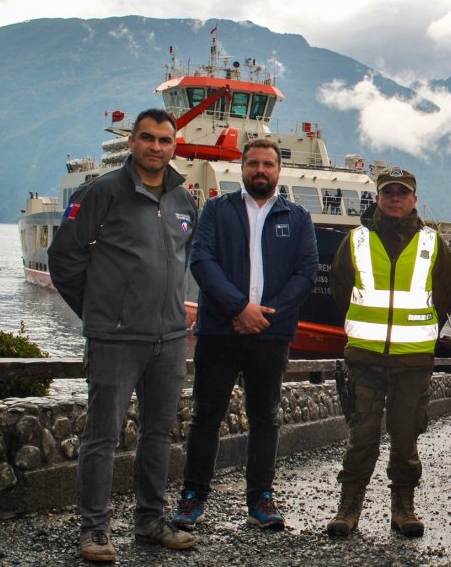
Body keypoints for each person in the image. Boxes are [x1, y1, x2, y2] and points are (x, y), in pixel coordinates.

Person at [48, 108, 198, 562]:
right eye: (148, 138)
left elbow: (180, 261)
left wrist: (174, 314)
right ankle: (94, 530)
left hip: (169, 338)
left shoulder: (183, 200)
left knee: (158, 433)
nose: (156, 147)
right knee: (102, 435)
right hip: (116, 338)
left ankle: (151, 520)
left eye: (165, 140)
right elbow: (64, 260)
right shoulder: (101, 193)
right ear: (132, 142)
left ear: (175, 146)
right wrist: (99, 313)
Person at [171, 139, 319, 531]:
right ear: (242, 167)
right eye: (253, 163)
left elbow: (306, 273)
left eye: (268, 164)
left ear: (278, 170)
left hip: (270, 334)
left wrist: (264, 315)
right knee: (206, 416)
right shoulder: (217, 210)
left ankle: (261, 498)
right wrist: (239, 308)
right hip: (220, 330)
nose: (260, 170)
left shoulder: (298, 217)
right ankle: (192, 496)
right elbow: (201, 260)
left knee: (266, 417)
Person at [325, 167, 451, 537]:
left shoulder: (434, 244)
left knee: (406, 436)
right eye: (389, 192)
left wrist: (421, 332)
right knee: (361, 436)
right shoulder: (355, 241)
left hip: (413, 361)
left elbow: (444, 295)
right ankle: (349, 508)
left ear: (414, 199)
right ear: (378, 197)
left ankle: (404, 508)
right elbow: (341, 290)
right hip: (364, 359)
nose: (395, 198)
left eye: (403, 192)